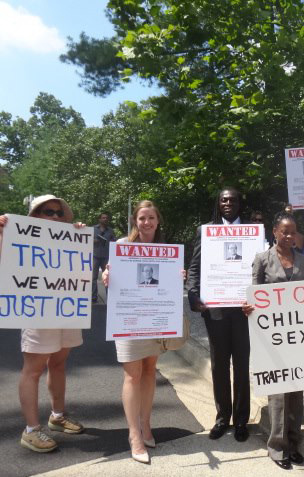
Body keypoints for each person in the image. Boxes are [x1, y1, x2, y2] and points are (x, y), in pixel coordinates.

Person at [1, 195, 86, 453]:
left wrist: (79, 236)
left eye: (59, 213)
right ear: (35, 215)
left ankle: (57, 416)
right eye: (49, 212)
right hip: (37, 311)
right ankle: (30, 430)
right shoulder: (15, 236)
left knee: (58, 363)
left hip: (66, 309)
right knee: (33, 370)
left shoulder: (69, 237)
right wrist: (3, 234)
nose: (56, 217)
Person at [103, 200, 178, 464]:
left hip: (154, 319)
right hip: (129, 319)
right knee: (132, 375)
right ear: (135, 221)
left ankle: (146, 425)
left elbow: (167, 284)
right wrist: (106, 275)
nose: (146, 222)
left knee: (149, 370)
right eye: (142, 218)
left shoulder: (166, 250)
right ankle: (134, 435)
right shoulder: (123, 246)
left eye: (151, 218)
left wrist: (177, 276)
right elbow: (110, 275)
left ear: (158, 221)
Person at [242, 212, 304, 470]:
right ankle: (277, 447)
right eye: (285, 231)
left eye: (293, 232)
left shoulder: (303, 261)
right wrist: (248, 307)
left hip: (298, 335)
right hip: (272, 337)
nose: (289, 236)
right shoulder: (262, 259)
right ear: (274, 232)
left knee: (297, 389)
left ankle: (294, 443)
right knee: (278, 392)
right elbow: (254, 293)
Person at [186, 187, 250, 442]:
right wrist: (193, 295)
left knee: (242, 366)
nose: (228, 203)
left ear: (239, 204)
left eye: (232, 200)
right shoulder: (206, 231)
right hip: (216, 311)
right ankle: (222, 418)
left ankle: (242, 420)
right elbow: (194, 267)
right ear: (218, 203)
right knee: (219, 366)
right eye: (224, 200)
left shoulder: (252, 231)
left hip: (245, 311)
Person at [92, 212, 116, 302]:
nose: (105, 219)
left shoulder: (110, 230)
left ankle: (109, 298)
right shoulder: (93, 229)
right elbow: (87, 239)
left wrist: (111, 241)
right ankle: (93, 297)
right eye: (103, 218)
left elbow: (114, 242)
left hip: (106, 257)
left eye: (106, 218)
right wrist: (95, 241)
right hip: (95, 256)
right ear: (99, 219)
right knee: (93, 277)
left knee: (108, 278)